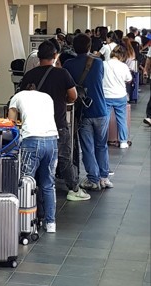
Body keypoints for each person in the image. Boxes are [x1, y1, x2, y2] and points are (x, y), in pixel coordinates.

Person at [20, 40, 90, 202]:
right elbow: (73, 96)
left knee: (32, 159)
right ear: (54, 56)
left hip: (33, 125)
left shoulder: (29, 75)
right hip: (56, 124)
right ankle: (73, 189)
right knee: (64, 158)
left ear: (38, 56)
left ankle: (30, 189)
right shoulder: (62, 73)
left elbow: (22, 98)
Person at [8, 83, 59, 233]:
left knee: (26, 183)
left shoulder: (17, 97)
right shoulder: (47, 97)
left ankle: (26, 225)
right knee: (48, 184)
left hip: (31, 139)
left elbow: (10, 123)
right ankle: (51, 223)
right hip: (52, 139)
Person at [64, 33, 112, 190]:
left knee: (87, 147)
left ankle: (93, 178)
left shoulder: (69, 65)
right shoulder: (98, 63)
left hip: (84, 111)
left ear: (73, 47)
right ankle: (104, 178)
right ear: (89, 46)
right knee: (102, 145)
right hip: (101, 109)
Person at [103, 45, 132, 149]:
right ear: (122, 55)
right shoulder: (123, 66)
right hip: (120, 95)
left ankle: (102, 140)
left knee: (104, 119)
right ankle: (123, 141)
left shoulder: (103, 64)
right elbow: (129, 79)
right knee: (121, 119)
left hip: (106, 95)